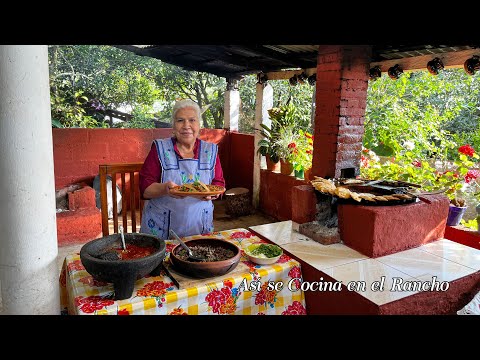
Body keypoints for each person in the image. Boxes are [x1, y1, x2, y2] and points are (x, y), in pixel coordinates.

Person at [139, 99, 225, 239]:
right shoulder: (160, 149)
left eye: (192, 120)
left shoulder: (211, 150)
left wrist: (212, 194)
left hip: (200, 227)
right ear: (173, 126)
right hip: (161, 231)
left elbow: (218, 183)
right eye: (180, 120)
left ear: (199, 124)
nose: (186, 126)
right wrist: (165, 188)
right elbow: (145, 188)